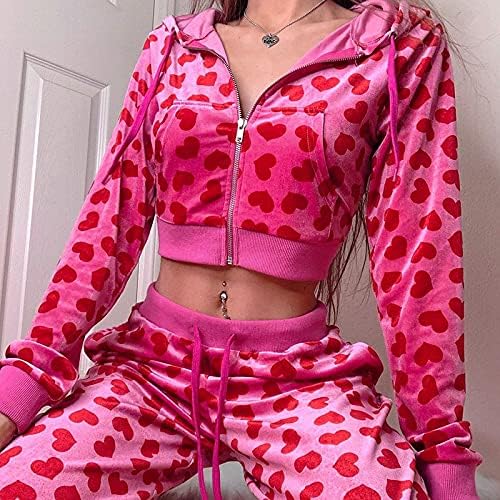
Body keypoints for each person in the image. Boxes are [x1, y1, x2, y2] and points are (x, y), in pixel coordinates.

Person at [0, 0, 484, 498]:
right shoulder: (172, 48)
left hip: (296, 378)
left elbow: (420, 250)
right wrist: (27, 377)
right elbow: (108, 220)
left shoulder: (396, 50)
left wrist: (441, 452)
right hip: (152, 367)